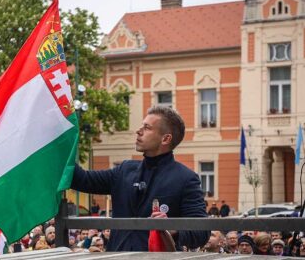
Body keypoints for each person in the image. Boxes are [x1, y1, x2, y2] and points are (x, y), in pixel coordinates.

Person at [71, 105, 210, 251]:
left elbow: (201, 232)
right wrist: (56, 147)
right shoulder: (124, 170)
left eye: (147, 128)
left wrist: (170, 228)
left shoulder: (186, 178)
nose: (138, 131)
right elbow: (82, 180)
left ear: (166, 139)